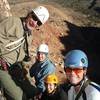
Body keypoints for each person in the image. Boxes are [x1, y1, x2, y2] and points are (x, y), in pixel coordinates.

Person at [0, 6, 49, 100]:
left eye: (38, 22)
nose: (34, 23)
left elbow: (22, 55)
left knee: (33, 92)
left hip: (14, 68)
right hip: (2, 67)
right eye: (34, 18)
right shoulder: (13, 22)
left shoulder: (29, 36)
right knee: (20, 97)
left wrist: (22, 67)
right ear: (29, 14)